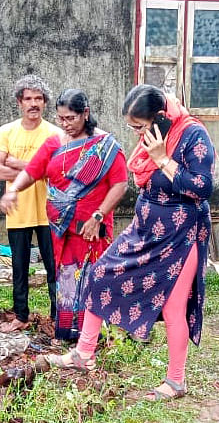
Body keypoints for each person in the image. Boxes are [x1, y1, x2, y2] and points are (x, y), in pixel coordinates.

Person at [43, 84, 214, 401]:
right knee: (98, 275)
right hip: (145, 228)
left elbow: (203, 188)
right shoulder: (152, 140)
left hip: (180, 234)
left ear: (161, 118)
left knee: (174, 307)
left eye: (140, 126)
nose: (136, 134)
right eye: (132, 127)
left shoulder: (192, 135)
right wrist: (154, 155)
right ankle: (84, 354)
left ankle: (176, 382)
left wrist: (164, 160)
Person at [0, 89, 128, 340]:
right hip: (61, 228)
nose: (65, 124)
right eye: (61, 118)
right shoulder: (54, 142)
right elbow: (33, 171)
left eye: (71, 118)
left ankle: (93, 335)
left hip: (91, 227)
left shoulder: (105, 146)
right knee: (66, 276)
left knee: (91, 277)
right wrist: (13, 190)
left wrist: (99, 215)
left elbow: (120, 184)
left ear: (85, 114)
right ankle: (70, 331)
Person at [0, 75, 61, 333]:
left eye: (39, 98)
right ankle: (20, 315)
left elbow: (56, 172)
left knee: (54, 268)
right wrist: (37, 169)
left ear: (45, 103)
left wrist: (19, 164)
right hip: (18, 211)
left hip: (49, 211)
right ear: (19, 102)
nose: (34, 103)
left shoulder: (55, 134)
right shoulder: (6, 131)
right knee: (19, 268)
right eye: (28, 98)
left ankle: (57, 318)